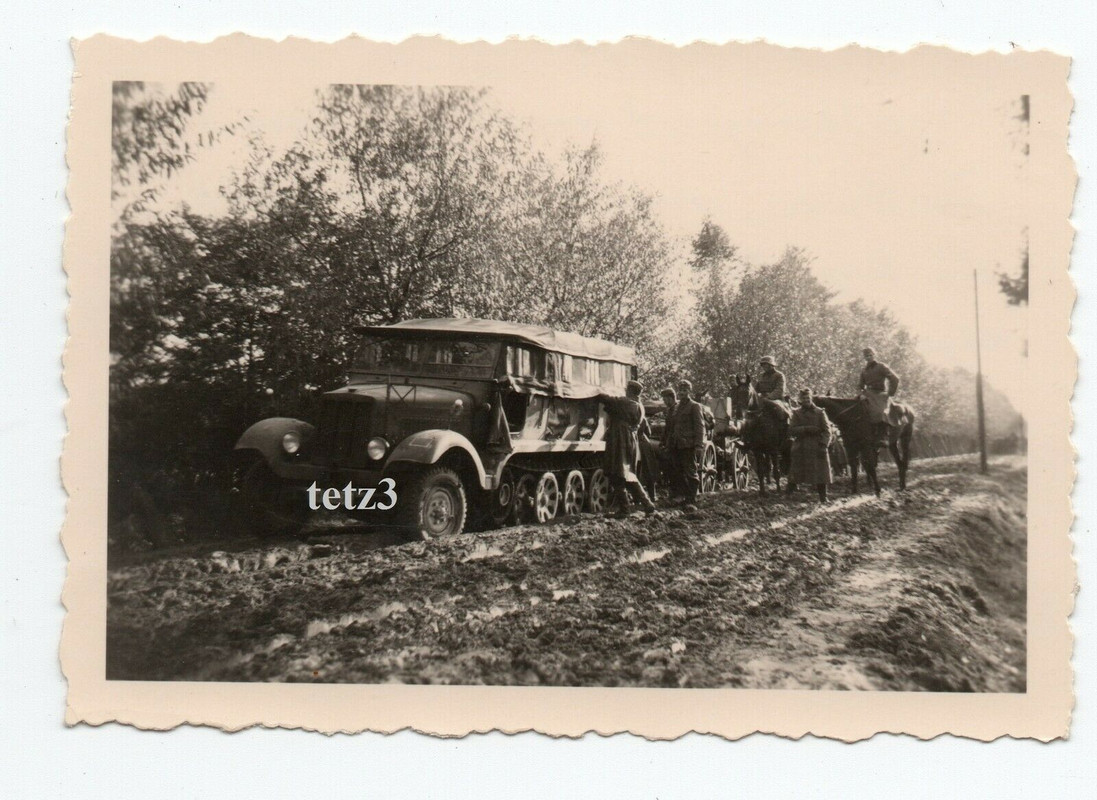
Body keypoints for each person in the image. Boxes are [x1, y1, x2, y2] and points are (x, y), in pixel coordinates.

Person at [597, 380, 657, 518]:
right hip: (629, 440)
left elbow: (607, 399)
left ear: (629, 390)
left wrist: (595, 390)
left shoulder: (627, 403)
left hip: (621, 440)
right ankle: (647, 504)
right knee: (627, 474)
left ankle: (625, 509)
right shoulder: (639, 405)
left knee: (617, 474)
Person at [786, 388, 833, 502]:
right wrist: (806, 429)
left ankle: (823, 496)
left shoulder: (820, 412)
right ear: (800, 400)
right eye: (804, 398)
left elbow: (827, 431)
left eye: (808, 398)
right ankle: (789, 493)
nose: (806, 400)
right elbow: (791, 430)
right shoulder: (796, 413)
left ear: (811, 398)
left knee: (821, 472)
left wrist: (824, 445)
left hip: (817, 445)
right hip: (801, 444)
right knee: (796, 469)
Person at [669, 379, 706, 505]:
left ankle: (691, 498)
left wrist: (699, 445)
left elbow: (700, 426)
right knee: (678, 471)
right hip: (676, 444)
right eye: (680, 390)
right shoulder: (677, 407)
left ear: (689, 391)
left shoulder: (695, 406)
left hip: (688, 444)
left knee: (690, 471)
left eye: (685, 390)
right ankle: (683, 496)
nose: (682, 392)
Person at [859, 347, 900, 438]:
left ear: (874, 355)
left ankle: (883, 435)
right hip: (868, 394)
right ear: (864, 358)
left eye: (870, 355)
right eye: (866, 356)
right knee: (855, 408)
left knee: (880, 412)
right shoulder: (864, 370)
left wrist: (890, 393)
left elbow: (895, 379)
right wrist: (862, 394)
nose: (869, 357)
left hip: (880, 393)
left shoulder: (881, 367)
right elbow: (860, 385)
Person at [752, 356, 792, 421]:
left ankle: (786, 425)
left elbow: (780, 390)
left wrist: (769, 397)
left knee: (781, 410)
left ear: (771, 365)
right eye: (763, 365)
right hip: (762, 399)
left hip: (776, 399)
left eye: (766, 364)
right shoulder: (762, 376)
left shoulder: (779, 375)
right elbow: (756, 389)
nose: (764, 367)